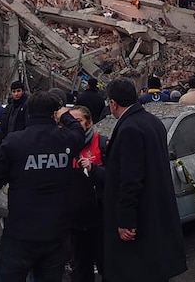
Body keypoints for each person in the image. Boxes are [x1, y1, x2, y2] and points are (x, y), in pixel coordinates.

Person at [0, 90, 86, 282]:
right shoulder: (66, 139)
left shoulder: (14, 142)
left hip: (20, 231)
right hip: (56, 232)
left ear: (28, 112)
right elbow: (79, 131)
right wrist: (65, 114)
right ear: (54, 114)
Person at [102, 78, 187, 282]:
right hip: (156, 210)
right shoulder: (152, 122)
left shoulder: (129, 128)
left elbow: (130, 179)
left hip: (141, 216)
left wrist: (125, 220)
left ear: (113, 103)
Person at [68, 106, 107, 282]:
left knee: (106, 264)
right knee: (80, 269)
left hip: (100, 217)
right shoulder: (65, 146)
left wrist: (94, 169)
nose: (74, 127)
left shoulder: (102, 143)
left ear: (89, 122)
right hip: (74, 221)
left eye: (78, 122)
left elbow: (114, 175)